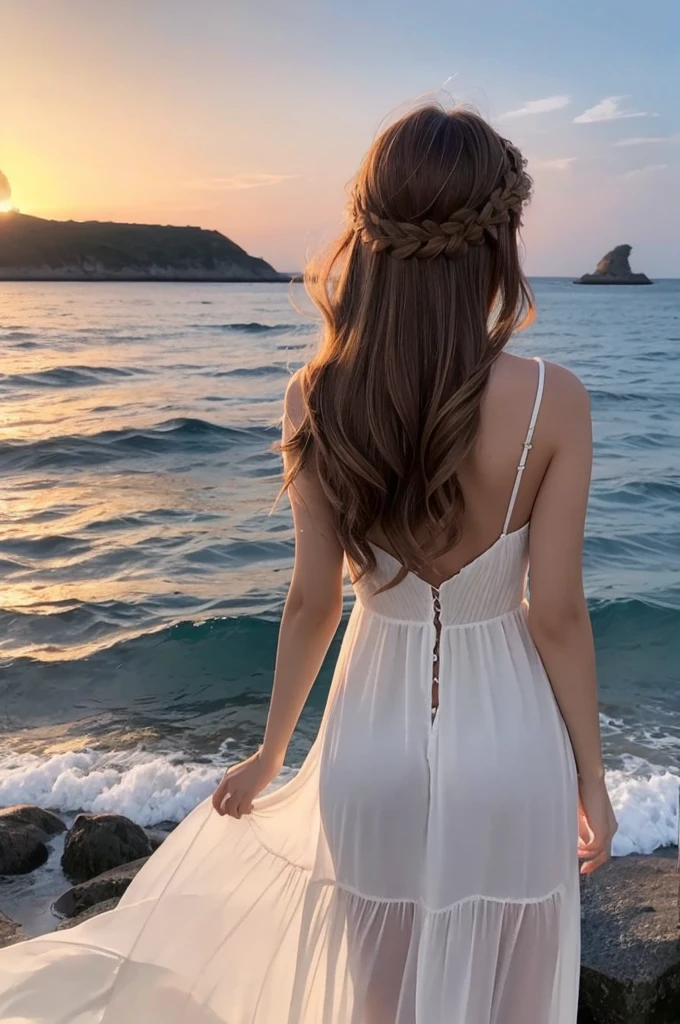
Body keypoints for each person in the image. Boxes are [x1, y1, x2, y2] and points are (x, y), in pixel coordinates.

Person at [0, 104, 616, 1024]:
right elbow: (557, 613)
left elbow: (312, 603)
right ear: (500, 241)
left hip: (365, 748)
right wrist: (594, 782)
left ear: (366, 239)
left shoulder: (314, 395)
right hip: (512, 750)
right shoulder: (552, 402)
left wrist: (271, 752)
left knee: (372, 998)